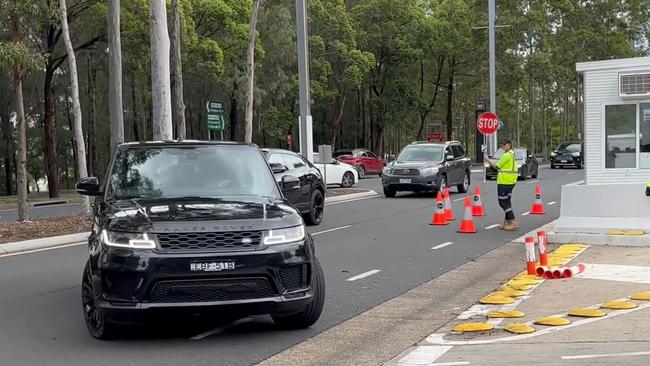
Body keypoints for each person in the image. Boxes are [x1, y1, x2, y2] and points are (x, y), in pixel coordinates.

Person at [485, 139, 519, 231]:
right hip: (510, 180)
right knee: (507, 201)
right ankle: (507, 223)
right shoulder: (512, 154)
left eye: (503, 145)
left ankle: (512, 221)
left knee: (502, 201)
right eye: (501, 145)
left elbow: (497, 166)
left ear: (508, 145)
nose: (502, 147)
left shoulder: (507, 155)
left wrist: (488, 160)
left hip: (505, 181)